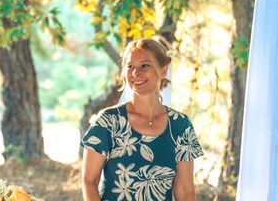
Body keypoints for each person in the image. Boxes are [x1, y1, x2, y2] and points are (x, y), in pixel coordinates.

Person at [81, 38, 203, 201]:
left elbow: (185, 192)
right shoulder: (108, 122)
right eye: (130, 66)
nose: (135, 73)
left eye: (144, 65)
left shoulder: (180, 126)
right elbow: (89, 181)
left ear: (163, 70)